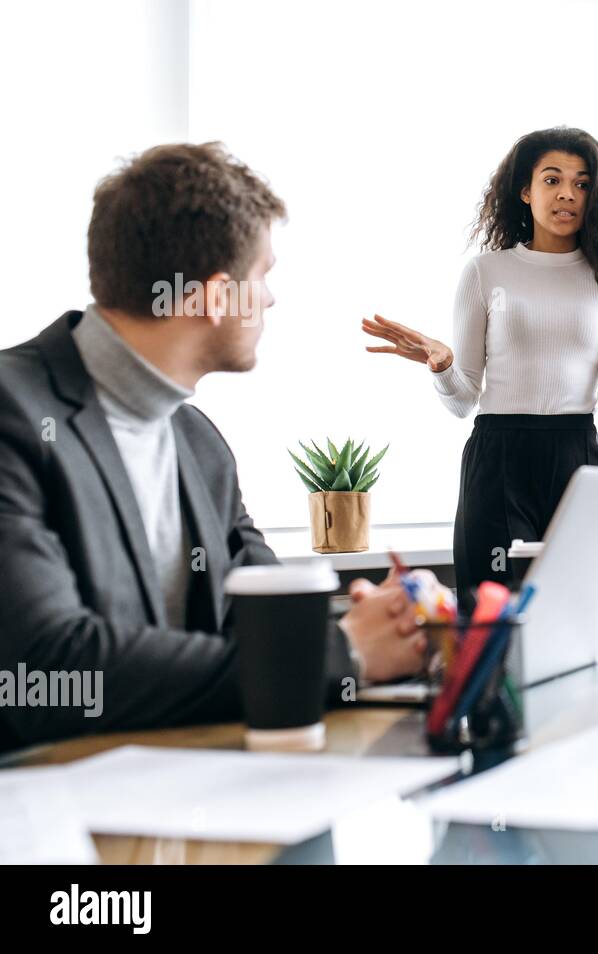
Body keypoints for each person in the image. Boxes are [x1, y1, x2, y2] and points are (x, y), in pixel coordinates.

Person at [0, 142, 427, 750]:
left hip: (183, 793)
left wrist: (398, 623)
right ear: (214, 294)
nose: (272, 300)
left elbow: (264, 621)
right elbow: (54, 671)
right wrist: (349, 653)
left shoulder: (199, 446)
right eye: (264, 276)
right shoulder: (13, 414)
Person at [361, 127, 598, 605]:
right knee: (491, 616)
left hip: (578, 456)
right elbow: (463, 401)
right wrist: (441, 367)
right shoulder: (485, 273)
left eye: (583, 183)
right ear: (525, 191)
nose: (568, 193)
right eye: (552, 179)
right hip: (498, 457)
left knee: (578, 613)